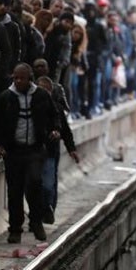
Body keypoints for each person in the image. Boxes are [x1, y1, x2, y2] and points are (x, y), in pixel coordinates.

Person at [0, 63, 57, 243]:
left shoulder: (41, 96)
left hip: (35, 149)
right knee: (14, 191)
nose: (18, 81)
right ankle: (15, 228)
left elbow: (53, 116)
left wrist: (53, 130)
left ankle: (36, 221)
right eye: (15, 78)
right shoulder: (6, 97)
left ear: (30, 79)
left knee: (34, 182)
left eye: (22, 78)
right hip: (13, 151)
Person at [35, 75, 79, 224]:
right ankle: (37, 215)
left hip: (49, 152)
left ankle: (48, 208)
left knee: (48, 183)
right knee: (35, 185)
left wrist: (71, 148)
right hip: (32, 152)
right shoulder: (28, 106)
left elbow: (65, 130)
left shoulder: (56, 108)